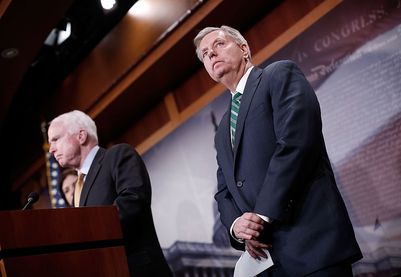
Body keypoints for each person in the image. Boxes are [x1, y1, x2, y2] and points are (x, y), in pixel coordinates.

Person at [194, 25, 362, 276]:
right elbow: (223, 190)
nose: (211, 55)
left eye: (219, 45)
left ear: (244, 49)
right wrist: (238, 226)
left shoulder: (279, 75)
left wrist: (261, 215)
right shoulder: (221, 132)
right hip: (268, 262)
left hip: (313, 246)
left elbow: (297, 143)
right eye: (205, 54)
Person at [48, 110, 172, 277]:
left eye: (56, 139)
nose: (51, 150)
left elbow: (132, 202)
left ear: (81, 136)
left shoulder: (118, 155)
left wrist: (84, 234)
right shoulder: (79, 186)